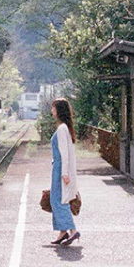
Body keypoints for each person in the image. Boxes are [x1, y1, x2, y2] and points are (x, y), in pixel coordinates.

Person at [49, 98, 80, 245]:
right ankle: (62, 232)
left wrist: (64, 173)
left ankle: (72, 230)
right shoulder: (65, 127)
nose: (52, 111)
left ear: (59, 110)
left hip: (60, 168)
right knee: (57, 198)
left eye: (53, 108)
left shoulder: (62, 129)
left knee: (59, 200)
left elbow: (64, 153)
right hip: (59, 167)